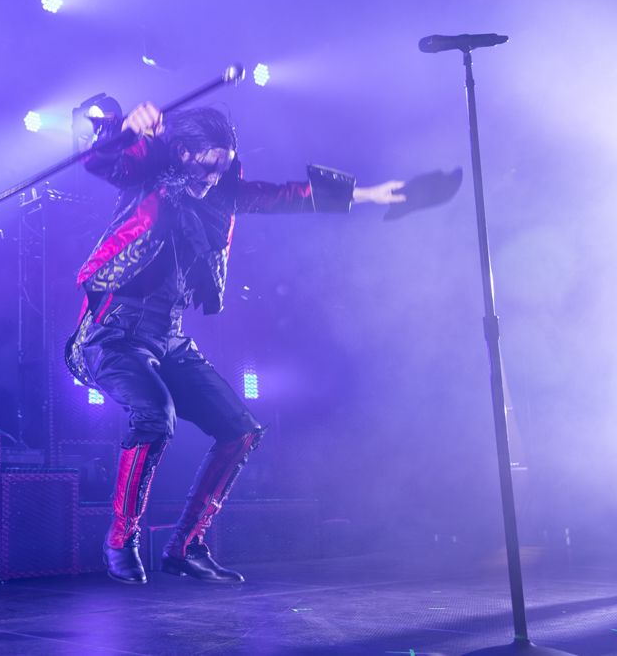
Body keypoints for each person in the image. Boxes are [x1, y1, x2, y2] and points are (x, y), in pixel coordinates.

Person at [66, 102, 405, 584]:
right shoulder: (147, 173)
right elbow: (103, 161)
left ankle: (186, 546)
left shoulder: (221, 194)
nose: (214, 177)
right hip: (113, 334)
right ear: (182, 153)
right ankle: (121, 539)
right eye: (208, 166)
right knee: (155, 417)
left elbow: (283, 195)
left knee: (240, 430)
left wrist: (364, 193)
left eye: (223, 167)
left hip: (168, 338)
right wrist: (122, 128)